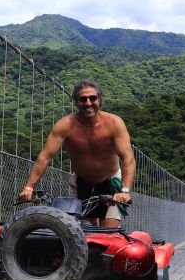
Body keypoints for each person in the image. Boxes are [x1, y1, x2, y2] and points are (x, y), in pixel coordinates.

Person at [18, 81, 135, 227]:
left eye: (92, 98)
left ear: (99, 100)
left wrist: (125, 191)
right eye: (82, 99)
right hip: (81, 182)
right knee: (84, 231)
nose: (88, 103)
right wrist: (29, 188)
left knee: (109, 232)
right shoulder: (65, 125)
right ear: (75, 101)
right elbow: (45, 157)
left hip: (110, 181)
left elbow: (127, 158)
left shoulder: (114, 123)